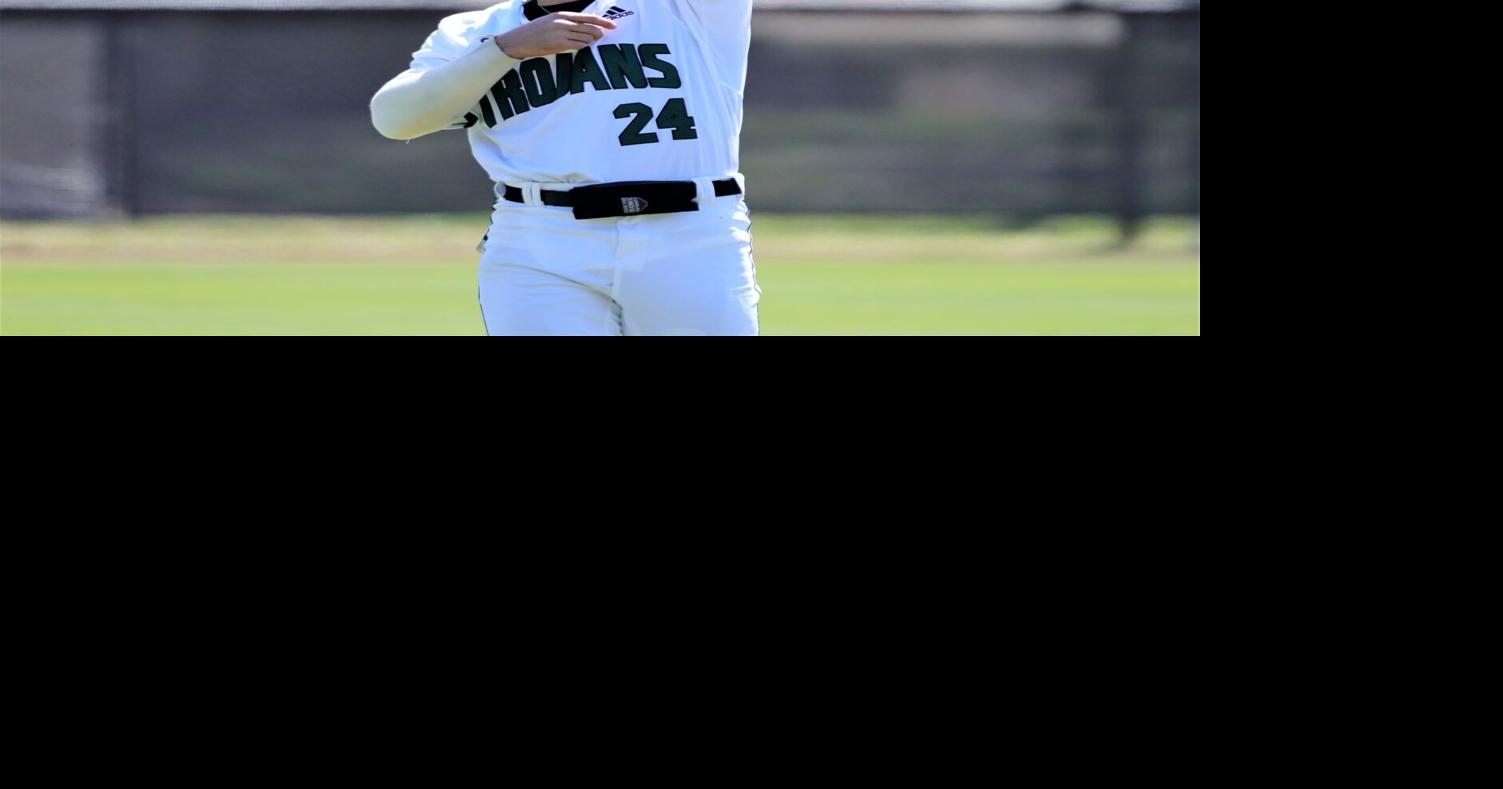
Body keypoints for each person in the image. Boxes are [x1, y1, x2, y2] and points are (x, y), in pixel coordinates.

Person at [371, 0, 759, 336]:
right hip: (539, 238)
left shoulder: (686, 9)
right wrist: (505, 50)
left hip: (690, 234)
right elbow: (395, 118)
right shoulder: (474, 31)